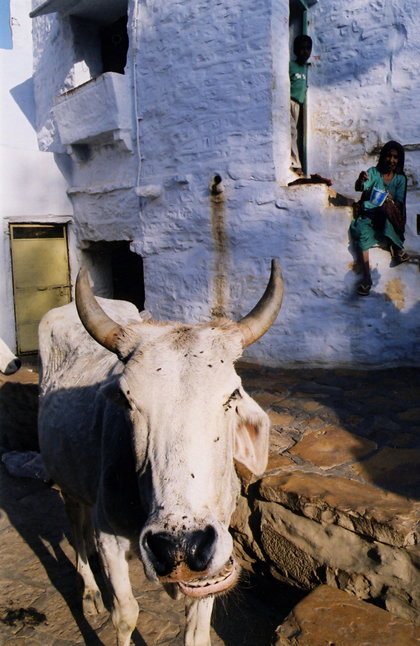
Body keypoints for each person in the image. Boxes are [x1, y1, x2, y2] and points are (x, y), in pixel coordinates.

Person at [350, 141, 409, 296]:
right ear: (383, 157)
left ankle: (396, 248)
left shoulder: (400, 179)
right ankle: (367, 278)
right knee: (360, 231)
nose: (391, 160)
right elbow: (359, 187)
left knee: (388, 211)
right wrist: (360, 180)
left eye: (395, 157)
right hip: (369, 214)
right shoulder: (373, 172)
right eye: (388, 156)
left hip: (386, 215)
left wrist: (390, 200)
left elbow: (400, 203)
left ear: (399, 160)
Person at [289, 35, 312, 176]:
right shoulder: (291, 66)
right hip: (289, 103)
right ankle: (295, 164)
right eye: (302, 49)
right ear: (295, 50)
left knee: (295, 133)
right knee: (291, 132)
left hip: (298, 106)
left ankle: (295, 162)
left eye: (308, 49)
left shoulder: (306, 68)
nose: (305, 52)